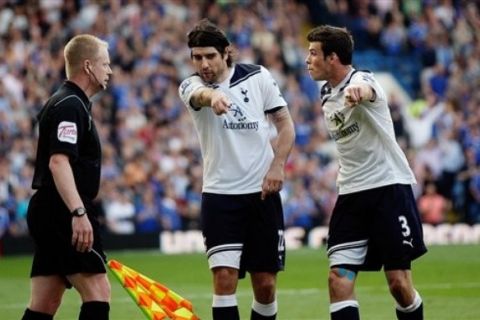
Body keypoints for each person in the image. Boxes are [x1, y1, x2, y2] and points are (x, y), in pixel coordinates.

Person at [305, 25, 427, 320]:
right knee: (338, 278)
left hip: (388, 190)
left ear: (332, 58)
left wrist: (359, 92)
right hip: (350, 196)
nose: (307, 60)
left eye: (313, 54)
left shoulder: (363, 80)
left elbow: (368, 89)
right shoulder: (325, 93)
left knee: (398, 284)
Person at [178, 19, 295, 320]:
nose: (203, 63)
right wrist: (214, 95)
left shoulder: (258, 77)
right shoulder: (191, 85)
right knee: (225, 279)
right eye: (197, 57)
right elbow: (202, 96)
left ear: (226, 52)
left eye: (210, 56)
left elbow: (285, 125)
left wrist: (277, 166)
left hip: (262, 195)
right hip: (220, 196)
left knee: (266, 285)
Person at [22, 34, 112, 320]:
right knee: (98, 291)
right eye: (105, 64)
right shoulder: (71, 105)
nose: (110, 71)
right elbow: (59, 162)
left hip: (49, 209)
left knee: (45, 302)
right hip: (62, 209)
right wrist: (78, 212)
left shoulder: (70, 102)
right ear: (88, 66)